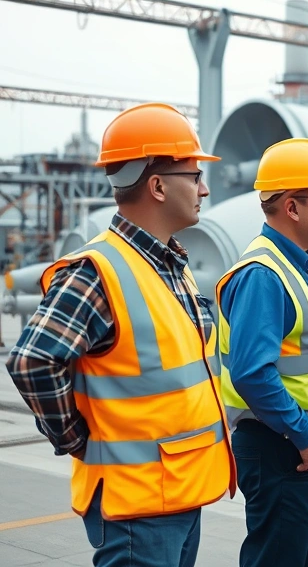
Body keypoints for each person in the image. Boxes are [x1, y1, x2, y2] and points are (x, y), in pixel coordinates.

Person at [5, 102, 235, 567]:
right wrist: (75, 439)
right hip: (137, 506)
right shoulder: (97, 272)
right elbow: (32, 360)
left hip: (178, 491)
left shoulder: (170, 265)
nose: (204, 189)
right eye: (194, 176)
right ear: (156, 186)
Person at [215, 138, 308, 567]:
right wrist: (305, 435)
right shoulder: (264, 275)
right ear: (292, 207)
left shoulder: (301, 267)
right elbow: (251, 374)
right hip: (283, 451)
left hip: (305, 450)